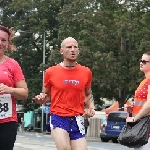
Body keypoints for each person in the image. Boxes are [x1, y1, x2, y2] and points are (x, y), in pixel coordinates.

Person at [33, 37, 95, 150]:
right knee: (65, 148)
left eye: (75, 47)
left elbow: (88, 94)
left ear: (78, 50)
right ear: (61, 51)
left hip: (77, 118)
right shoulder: (51, 72)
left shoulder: (86, 72)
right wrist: (41, 98)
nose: (73, 50)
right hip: (58, 116)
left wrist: (91, 108)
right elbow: (46, 95)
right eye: (69, 47)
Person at [0, 25, 28, 150]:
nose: (0, 43)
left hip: (7, 121)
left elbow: (24, 93)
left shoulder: (13, 64)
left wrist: (9, 89)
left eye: (3, 40)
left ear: (7, 43)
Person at [126, 51, 150, 150]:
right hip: (141, 127)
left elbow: (149, 104)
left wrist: (135, 119)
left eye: (144, 61)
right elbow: (142, 103)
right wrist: (132, 109)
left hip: (147, 128)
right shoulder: (144, 81)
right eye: (141, 60)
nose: (141, 63)